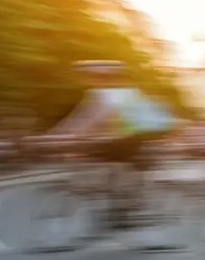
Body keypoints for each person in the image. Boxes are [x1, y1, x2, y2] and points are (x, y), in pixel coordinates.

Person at [46, 60, 178, 223]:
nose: (87, 79)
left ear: (100, 76)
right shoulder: (124, 92)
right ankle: (120, 204)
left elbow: (87, 120)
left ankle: (120, 210)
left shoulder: (105, 94)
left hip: (134, 138)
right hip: (136, 138)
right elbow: (88, 120)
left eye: (90, 76)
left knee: (94, 155)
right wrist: (67, 134)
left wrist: (59, 136)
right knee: (107, 160)